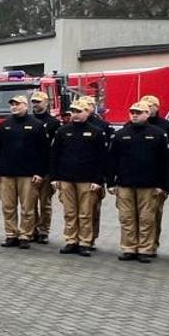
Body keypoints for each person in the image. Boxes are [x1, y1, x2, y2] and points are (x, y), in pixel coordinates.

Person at [108, 100, 169, 263]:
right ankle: (129, 248)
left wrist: (162, 185)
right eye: (132, 112)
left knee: (147, 218)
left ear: (147, 114)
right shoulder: (121, 134)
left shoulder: (158, 134)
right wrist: (110, 182)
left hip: (149, 185)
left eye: (138, 112)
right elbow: (112, 160)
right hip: (125, 184)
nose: (135, 115)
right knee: (127, 218)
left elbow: (164, 162)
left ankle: (146, 249)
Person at [49, 97, 108, 257]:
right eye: (73, 111)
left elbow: (101, 159)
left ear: (87, 113)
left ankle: (85, 242)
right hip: (66, 179)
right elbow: (54, 155)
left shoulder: (96, 132)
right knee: (70, 212)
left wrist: (98, 180)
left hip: (87, 180)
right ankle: (71, 240)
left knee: (85, 213)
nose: (75, 114)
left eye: (78, 111)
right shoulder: (62, 131)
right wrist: (54, 177)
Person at [0, 94, 49, 248]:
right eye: (12, 104)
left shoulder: (36, 125)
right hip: (6, 174)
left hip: (28, 175)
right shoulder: (4, 125)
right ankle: (11, 235)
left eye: (17, 104)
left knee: (27, 208)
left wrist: (39, 172)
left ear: (25, 106)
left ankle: (25, 235)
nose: (14, 107)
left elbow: (44, 151)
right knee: (8, 207)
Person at [138, 94, 169, 253]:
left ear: (157, 107)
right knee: (134, 217)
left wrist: (167, 183)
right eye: (144, 106)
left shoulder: (168, 127)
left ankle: (151, 245)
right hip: (136, 179)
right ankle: (136, 245)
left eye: (151, 106)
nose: (148, 108)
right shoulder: (131, 125)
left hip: (156, 180)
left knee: (152, 216)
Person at [25, 93, 60, 245]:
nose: (35, 104)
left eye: (38, 102)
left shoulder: (54, 123)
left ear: (46, 102)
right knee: (29, 203)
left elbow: (55, 148)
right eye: (33, 102)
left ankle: (44, 231)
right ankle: (31, 230)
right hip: (29, 169)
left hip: (46, 169)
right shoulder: (28, 121)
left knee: (45, 203)